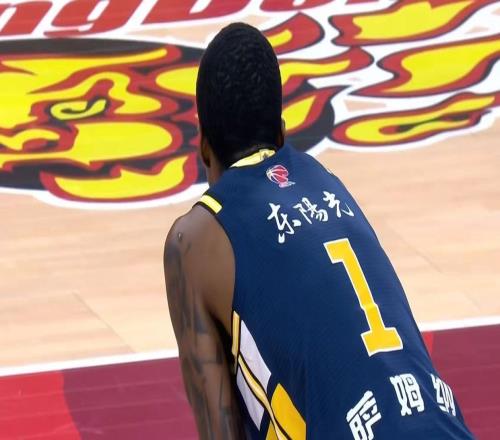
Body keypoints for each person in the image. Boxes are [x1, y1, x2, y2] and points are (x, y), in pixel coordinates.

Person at [163, 23, 474, 440]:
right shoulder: (330, 185)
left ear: (203, 145)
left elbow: (219, 430)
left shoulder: (194, 240)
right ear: (281, 133)